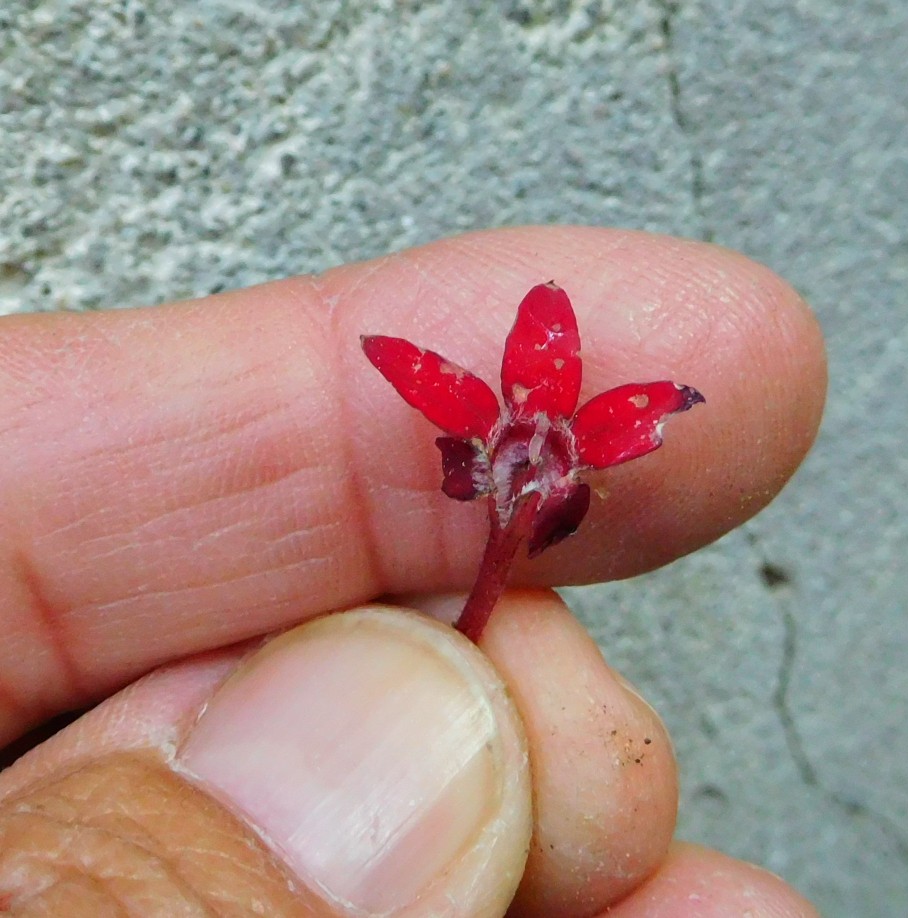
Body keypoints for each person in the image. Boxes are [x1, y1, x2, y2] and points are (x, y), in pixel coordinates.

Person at [0, 226, 826, 916]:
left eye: (547, 458)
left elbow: (611, 391)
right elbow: (407, 360)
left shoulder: (550, 453)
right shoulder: (498, 440)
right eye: (518, 450)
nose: (530, 459)